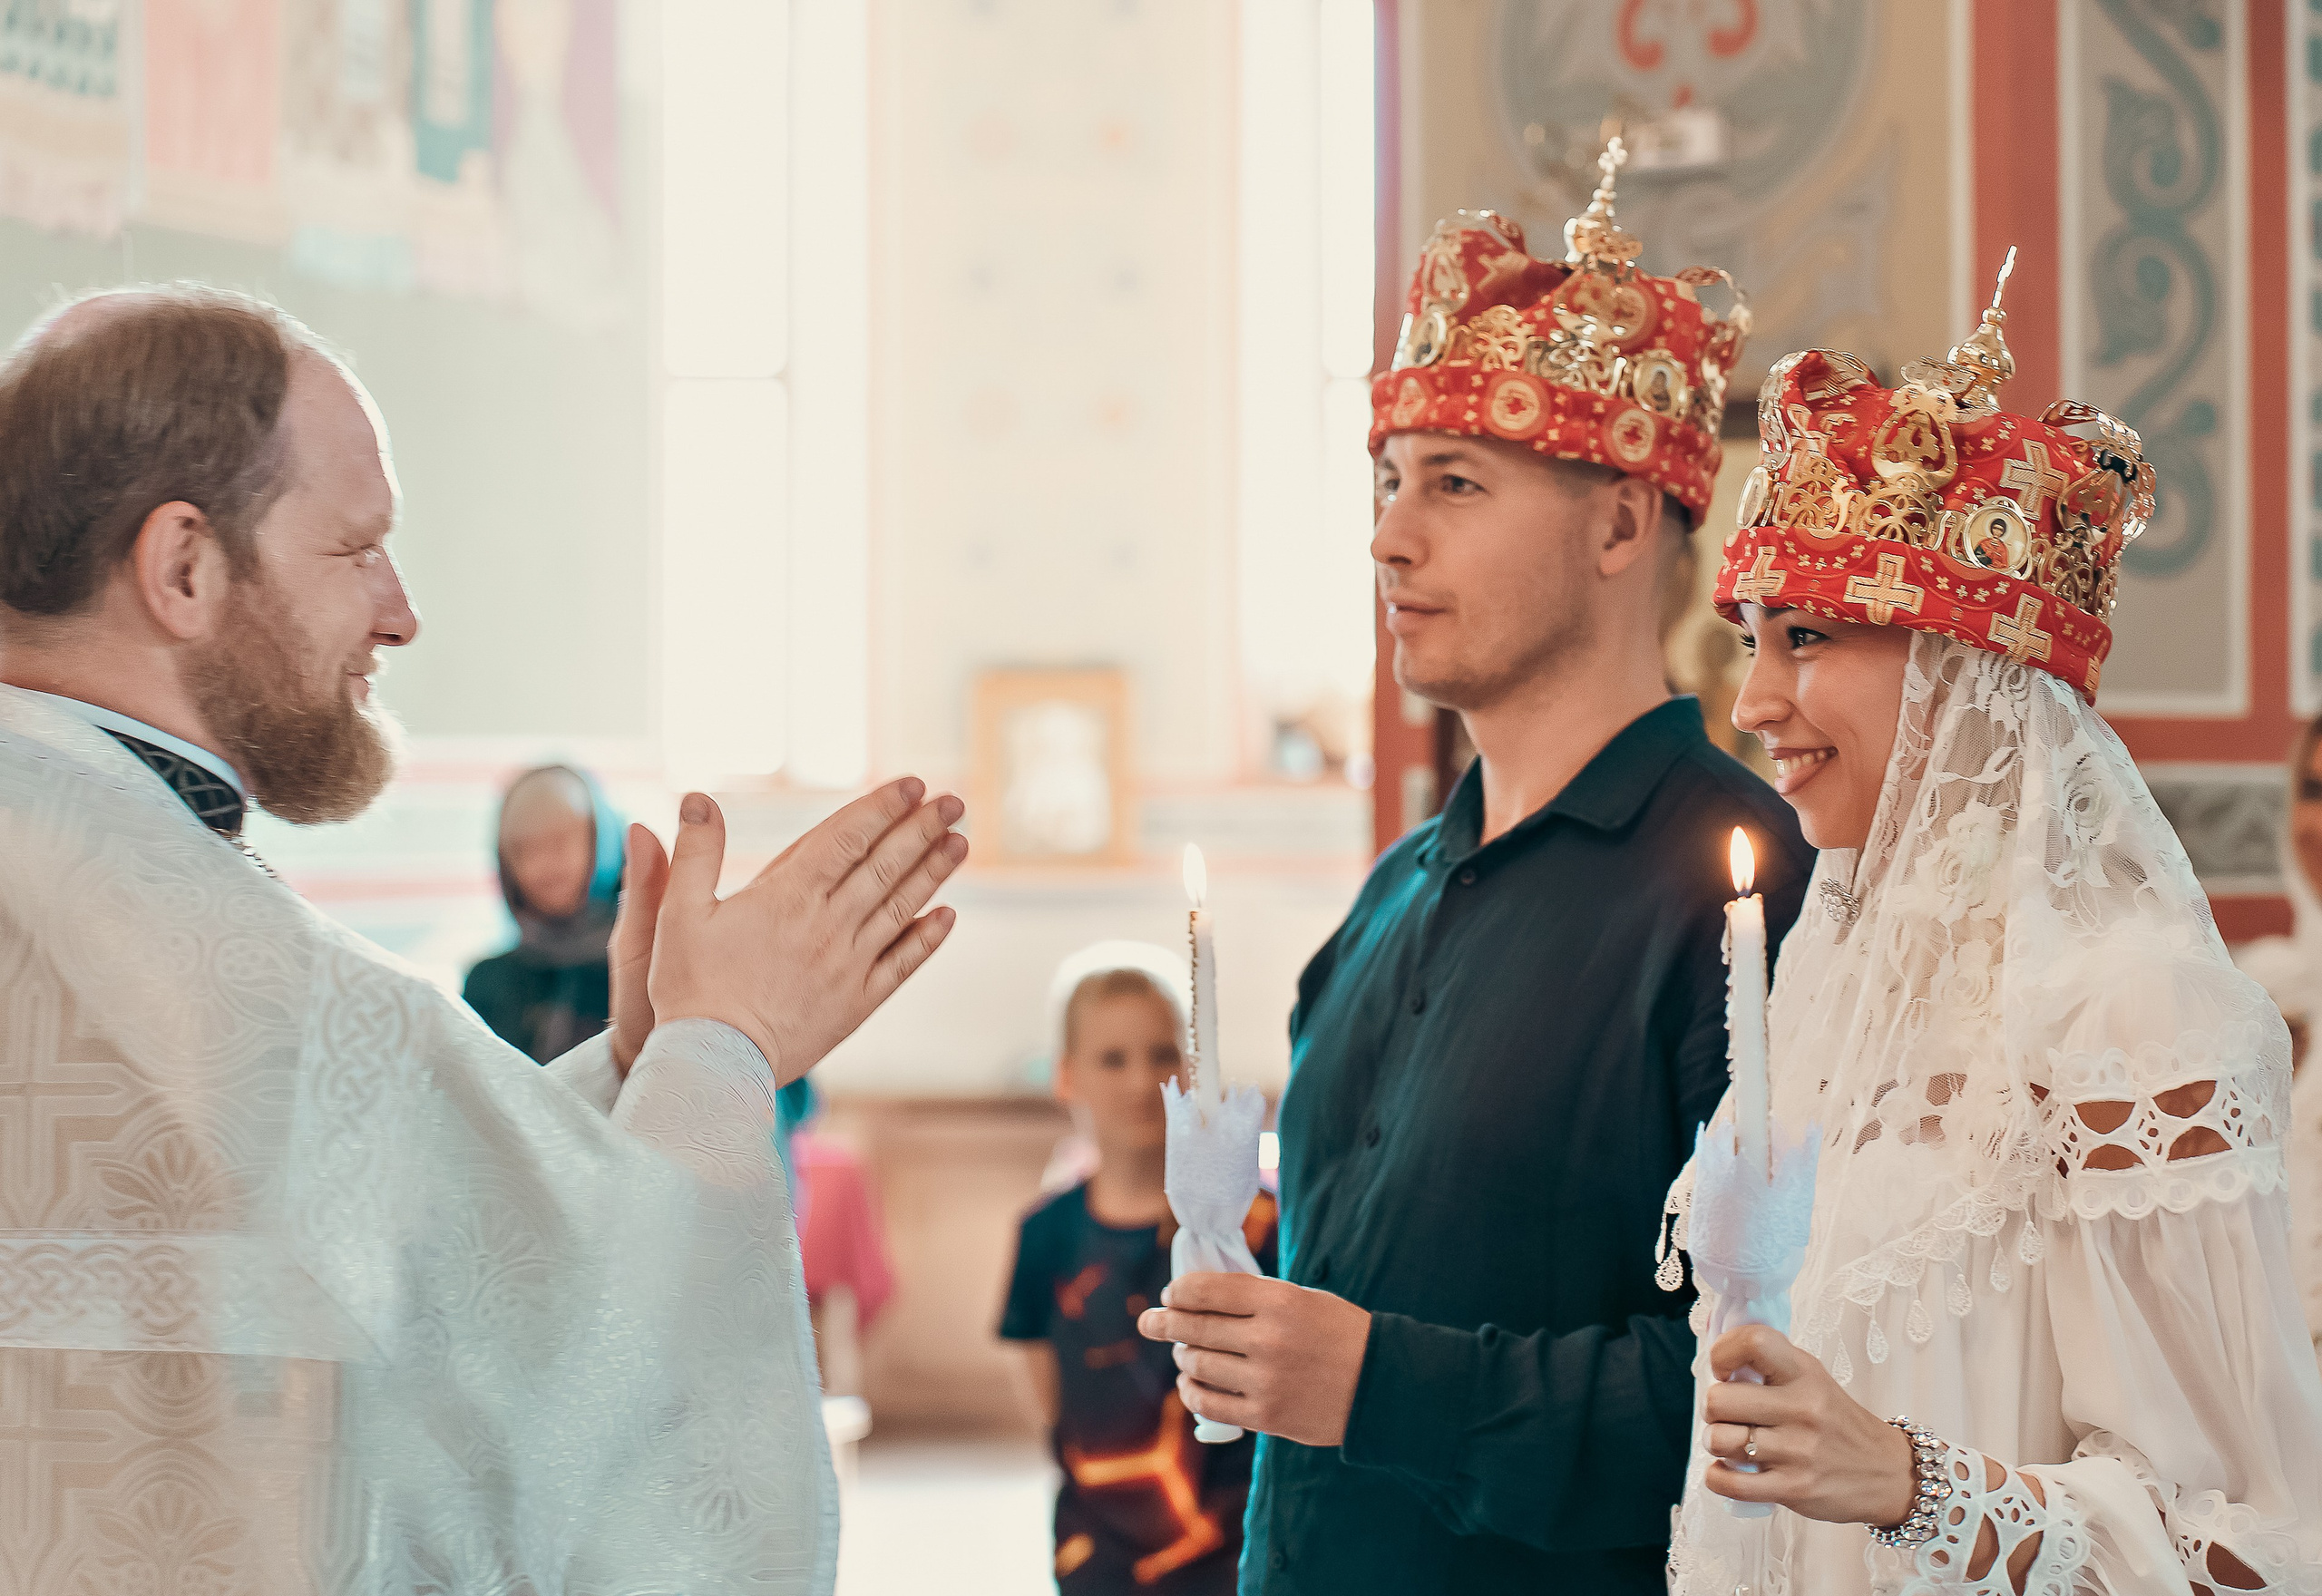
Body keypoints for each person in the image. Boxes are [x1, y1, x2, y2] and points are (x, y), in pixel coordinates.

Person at [0, 285, 968, 1593]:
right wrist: (720, 1051)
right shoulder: (238, 980)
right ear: (184, 568)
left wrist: (628, 1075)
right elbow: (595, 1385)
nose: (398, 613)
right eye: (355, 549)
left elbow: (326, 1248)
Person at [1138, 141, 1810, 1593]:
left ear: (1625, 519)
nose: (1388, 537)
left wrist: (1378, 1385)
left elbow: (1779, 1397)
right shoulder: (1389, 897)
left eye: (1453, 482)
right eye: (1389, 483)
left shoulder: (1747, 894)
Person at [1664, 277, 2322, 1591]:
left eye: (1806, 637)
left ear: (1964, 674)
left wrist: (1915, 1485)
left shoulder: (2135, 1015)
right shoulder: (1826, 993)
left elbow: (2256, 1539)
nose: (1754, 701)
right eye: (1751, 639)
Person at [1004, 942, 1280, 1593]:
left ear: (1193, 1069)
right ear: (1067, 1077)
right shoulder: (1045, 1232)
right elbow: (1043, 1382)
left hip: (1235, 1540)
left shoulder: (1257, 1221)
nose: (1138, 1081)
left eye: (1162, 1055)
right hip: (1100, 1548)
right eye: (1112, 1059)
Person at [463, 762, 625, 1060]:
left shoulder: (647, 970)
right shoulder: (489, 983)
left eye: (560, 842)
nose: (545, 865)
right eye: (525, 850)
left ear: (602, 842)